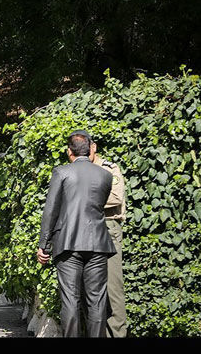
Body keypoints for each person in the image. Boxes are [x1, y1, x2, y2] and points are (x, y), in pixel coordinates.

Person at [36, 130, 116, 337]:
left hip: (68, 243)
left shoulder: (61, 172)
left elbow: (51, 210)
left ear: (69, 152)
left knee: (70, 299)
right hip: (98, 243)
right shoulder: (106, 176)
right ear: (90, 150)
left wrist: (43, 244)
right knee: (97, 301)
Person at [90, 140, 128, 337]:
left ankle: (118, 334)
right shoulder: (79, 169)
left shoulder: (109, 169)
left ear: (94, 147)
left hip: (108, 225)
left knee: (113, 287)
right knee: (90, 287)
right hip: (85, 227)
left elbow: (115, 197)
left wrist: (86, 198)